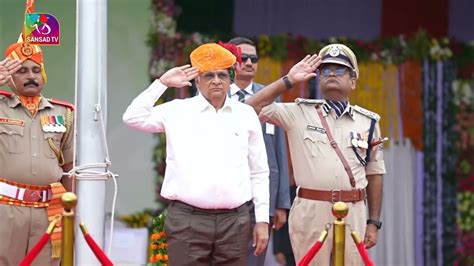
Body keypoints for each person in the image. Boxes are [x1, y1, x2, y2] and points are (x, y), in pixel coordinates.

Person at [123, 43, 270, 265]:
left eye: (222, 75)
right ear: (197, 81)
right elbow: (133, 117)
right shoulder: (178, 110)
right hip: (187, 219)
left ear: (231, 79)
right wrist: (162, 83)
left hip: (235, 220)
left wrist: (261, 220)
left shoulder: (245, 114)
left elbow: (259, 171)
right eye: (208, 75)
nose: (216, 80)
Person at [246, 44, 385, 265]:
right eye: (325, 69)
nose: (331, 73)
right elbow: (248, 108)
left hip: (354, 210)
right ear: (318, 78)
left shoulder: (368, 121)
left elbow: (375, 173)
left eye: (339, 69)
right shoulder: (298, 111)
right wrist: (289, 80)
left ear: (353, 80)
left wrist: (373, 222)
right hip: (311, 209)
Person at [0, 42, 75, 266]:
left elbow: (70, 168)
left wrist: (73, 212)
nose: (31, 76)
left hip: (49, 210)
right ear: (10, 76)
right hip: (6, 208)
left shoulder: (64, 113)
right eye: (21, 70)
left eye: (36, 70)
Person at [226, 37, 291, 266]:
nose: (249, 62)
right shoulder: (214, 93)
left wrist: (282, 202)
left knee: (255, 259)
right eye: (243, 58)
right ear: (231, 61)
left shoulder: (270, 95)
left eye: (254, 58)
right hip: (225, 191)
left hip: (263, 194)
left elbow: (279, 151)